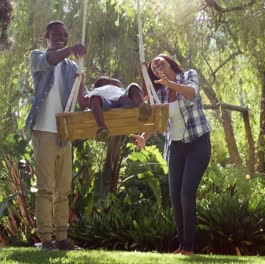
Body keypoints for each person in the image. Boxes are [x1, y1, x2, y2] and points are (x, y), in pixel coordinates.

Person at [131, 54, 211, 255]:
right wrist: (143, 137)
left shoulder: (188, 76)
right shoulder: (161, 95)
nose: (156, 64)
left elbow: (192, 93)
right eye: (153, 66)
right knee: (175, 196)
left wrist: (171, 83)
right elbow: (159, 122)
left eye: (159, 60)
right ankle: (182, 245)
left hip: (198, 143)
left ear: (170, 62)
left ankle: (188, 247)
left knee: (186, 193)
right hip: (176, 148)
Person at [24, 20, 87, 251]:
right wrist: (70, 50)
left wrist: (104, 99)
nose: (60, 37)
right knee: (45, 188)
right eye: (55, 34)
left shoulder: (72, 67)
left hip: (64, 132)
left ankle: (62, 238)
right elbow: (50, 60)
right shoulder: (38, 56)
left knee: (63, 189)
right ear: (46, 36)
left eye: (64, 35)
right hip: (43, 130)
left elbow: (82, 98)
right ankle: (46, 239)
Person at [79, 76, 152, 141]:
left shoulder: (121, 90)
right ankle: (102, 128)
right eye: (109, 83)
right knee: (95, 99)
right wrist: (80, 81)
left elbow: (138, 93)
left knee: (133, 86)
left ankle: (143, 108)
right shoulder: (96, 91)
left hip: (122, 99)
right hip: (105, 102)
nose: (112, 84)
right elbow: (83, 101)